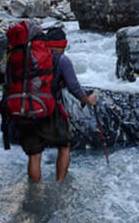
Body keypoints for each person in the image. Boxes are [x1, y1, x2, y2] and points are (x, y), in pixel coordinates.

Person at [15, 26, 98, 182]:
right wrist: (88, 99)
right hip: (48, 109)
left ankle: (36, 192)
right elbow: (74, 87)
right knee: (64, 146)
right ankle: (60, 184)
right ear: (63, 45)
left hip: (24, 108)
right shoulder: (62, 60)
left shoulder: (29, 56)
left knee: (34, 155)